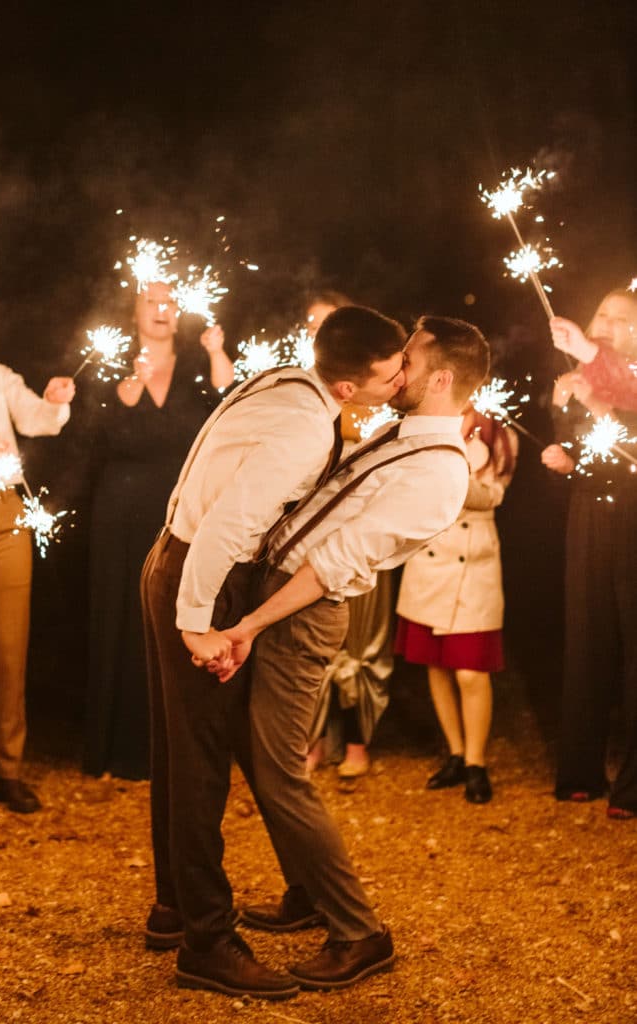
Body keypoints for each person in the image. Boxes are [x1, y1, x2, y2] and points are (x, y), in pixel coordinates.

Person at [199, 315, 489, 991]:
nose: (392, 367)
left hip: (302, 615)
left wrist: (248, 624)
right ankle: (308, 891)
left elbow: (332, 565)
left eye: (405, 360)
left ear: (440, 377)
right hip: (279, 597)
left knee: (279, 773)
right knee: (256, 750)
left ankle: (359, 931)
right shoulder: (400, 431)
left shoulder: (439, 472)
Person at [141, 305, 407, 999]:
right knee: (200, 762)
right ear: (347, 388)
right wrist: (197, 621)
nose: (401, 377)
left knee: (180, 746)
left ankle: (172, 908)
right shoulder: (301, 427)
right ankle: (207, 942)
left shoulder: (289, 380)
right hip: (203, 571)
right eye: (390, 372)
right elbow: (227, 528)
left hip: (173, 556)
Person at [83, 281, 232, 780]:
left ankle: (171, 751)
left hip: (178, 511)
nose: (162, 310)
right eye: (151, 302)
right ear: (134, 313)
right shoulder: (111, 369)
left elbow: (229, 403)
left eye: (170, 302)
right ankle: (114, 750)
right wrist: (124, 388)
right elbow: (91, 432)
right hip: (119, 512)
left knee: (173, 618)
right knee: (120, 617)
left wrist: (218, 352)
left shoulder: (196, 371)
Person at [0, 284, 75, 813]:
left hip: (5, 521)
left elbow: (35, 422)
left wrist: (54, 404)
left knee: (8, 654)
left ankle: (7, 772)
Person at [541, 288, 637, 819]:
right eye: (602, 313)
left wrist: (589, 372)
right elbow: (578, 452)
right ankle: (580, 770)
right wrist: (564, 455)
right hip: (590, 514)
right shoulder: (572, 381)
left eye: (623, 319)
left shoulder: (620, 376)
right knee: (586, 634)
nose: (607, 323)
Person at [395, 405, 518, 803]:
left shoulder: (502, 436)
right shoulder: (427, 428)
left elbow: (491, 497)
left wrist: (450, 469)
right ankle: (456, 753)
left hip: (474, 561)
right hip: (431, 556)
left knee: (470, 671)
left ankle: (476, 764)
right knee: (437, 664)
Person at [304, 290, 394, 780]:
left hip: (361, 530)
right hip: (312, 531)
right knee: (311, 633)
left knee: (358, 638)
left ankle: (357, 741)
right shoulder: (302, 392)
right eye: (312, 323)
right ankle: (312, 739)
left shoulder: (374, 395)